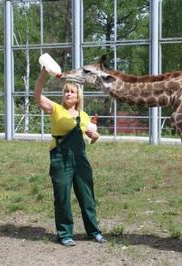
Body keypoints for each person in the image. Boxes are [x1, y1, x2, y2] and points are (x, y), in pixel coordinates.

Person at [34, 68, 106, 246]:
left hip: (80, 159)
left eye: (72, 91)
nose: (68, 94)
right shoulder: (56, 109)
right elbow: (37, 95)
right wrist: (44, 73)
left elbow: (89, 140)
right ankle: (65, 234)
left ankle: (94, 231)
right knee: (62, 197)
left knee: (87, 196)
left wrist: (95, 138)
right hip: (60, 158)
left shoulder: (84, 116)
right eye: (66, 91)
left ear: (78, 96)